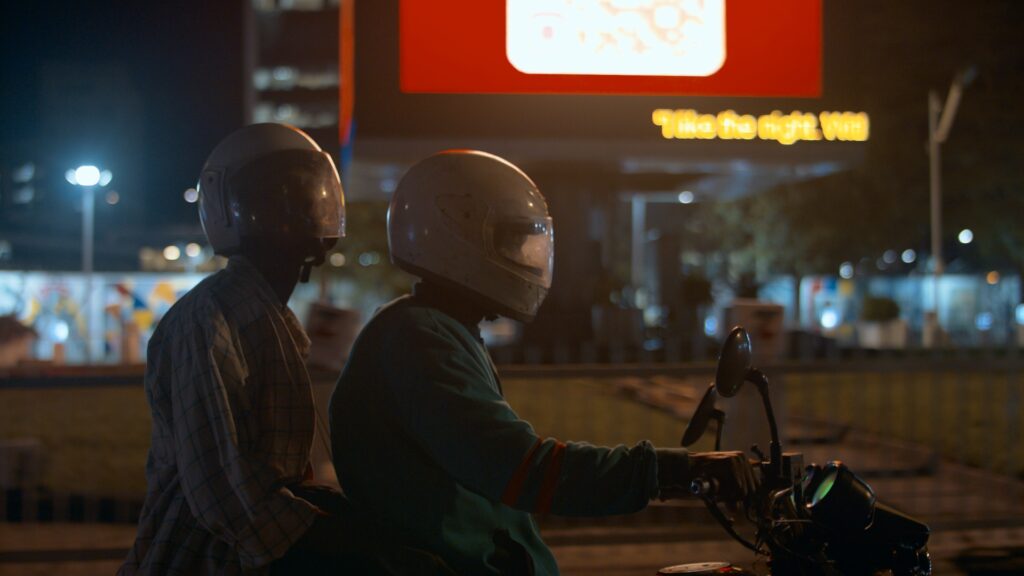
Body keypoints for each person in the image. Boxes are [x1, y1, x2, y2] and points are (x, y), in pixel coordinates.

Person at [330, 150, 759, 576]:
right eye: (511, 241)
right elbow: (522, 469)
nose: (524, 255)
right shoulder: (418, 339)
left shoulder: (437, 329)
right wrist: (671, 470)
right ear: (456, 235)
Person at [120, 123, 405, 575]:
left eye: (305, 195)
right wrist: (338, 537)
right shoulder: (209, 318)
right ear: (228, 209)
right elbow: (221, 489)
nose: (296, 211)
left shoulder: (270, 315)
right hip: (198, 557)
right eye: (275, 197)